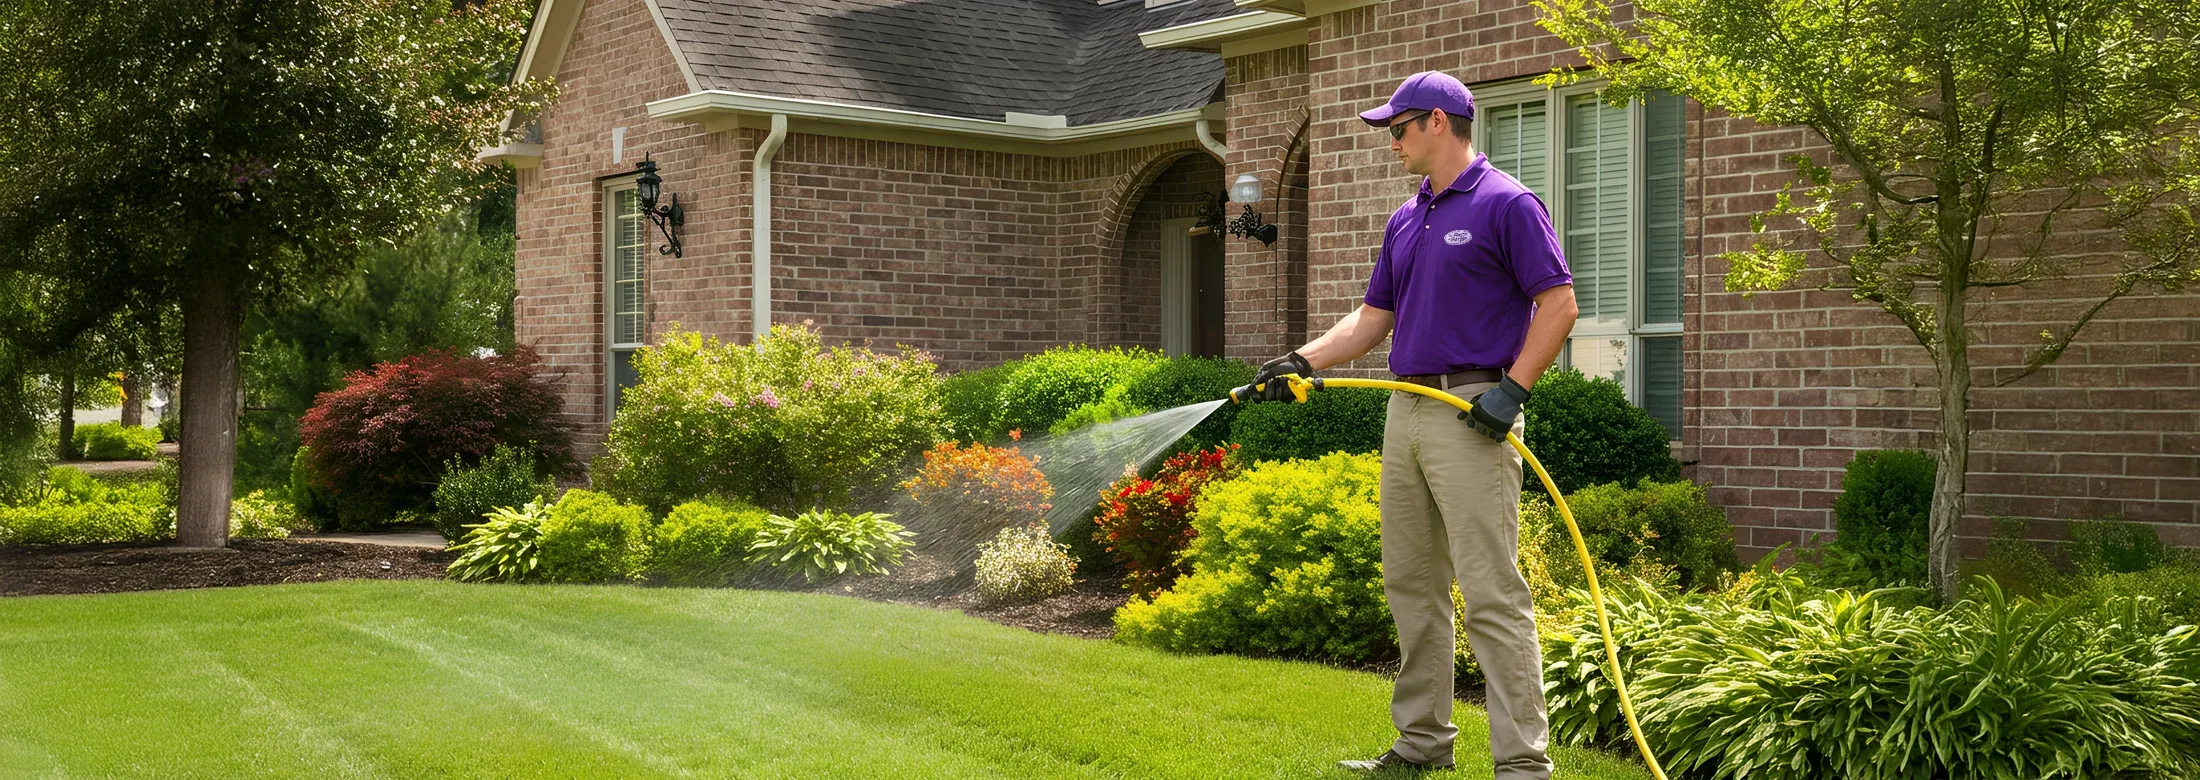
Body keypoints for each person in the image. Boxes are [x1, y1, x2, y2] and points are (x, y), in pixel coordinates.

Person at [1247, 70, 1576, 778]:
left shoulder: (1507, 204)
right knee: (1412, 585)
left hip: (1474, 413)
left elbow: (1558, 305)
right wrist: (1298, 358)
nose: (1389, 143)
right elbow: (1372, 322)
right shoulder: (1407, 218)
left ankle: (1523, 764)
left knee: (1491, 592)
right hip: (1408, 409)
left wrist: (1511, 393)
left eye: (1395, 130)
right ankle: (1422, 743)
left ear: (1435, 122)